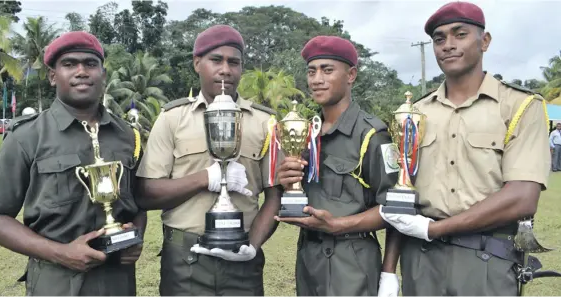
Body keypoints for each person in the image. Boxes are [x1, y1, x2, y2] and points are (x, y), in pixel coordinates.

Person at [379, 2, 552, 295]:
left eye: (460, 35)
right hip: (421, 261)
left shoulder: (520, 106)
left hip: (486, 262)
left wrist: (434, 230)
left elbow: (522, 198)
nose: (448, 45)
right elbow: (401, 195)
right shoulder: (414, 113)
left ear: (484, 41)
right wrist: (388, 272)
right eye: (439, 39)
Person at [0, 31, 147, 296]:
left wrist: (135, 236)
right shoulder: (27, 136)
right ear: (53, 76)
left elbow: (139, 203)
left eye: (91, 64)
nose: (81, 71)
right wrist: (62, 254)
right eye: (69, 64)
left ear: (103, 73)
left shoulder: (127, 135)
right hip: (56, 281)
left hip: (117, 281)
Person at [135, 24, 283, 296]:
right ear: (197, 63)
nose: (225, 69)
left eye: (234, 62)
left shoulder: (265, 123)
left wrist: (252, 245)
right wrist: (208, 178)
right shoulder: (172, 119)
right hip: (185, 260)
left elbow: (276, 196)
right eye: (216, 60)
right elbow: (146, 194)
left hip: (243, 260)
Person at [275, 35, 400, 296]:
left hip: (351, 261)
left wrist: (388, 273)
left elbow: (395, 208)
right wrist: (288, 183)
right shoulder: (306, 132)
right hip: (308, 257)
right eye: (311, 71)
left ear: (351, 74)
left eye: (327, 70)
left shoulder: (372, 134)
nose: (317, 79)